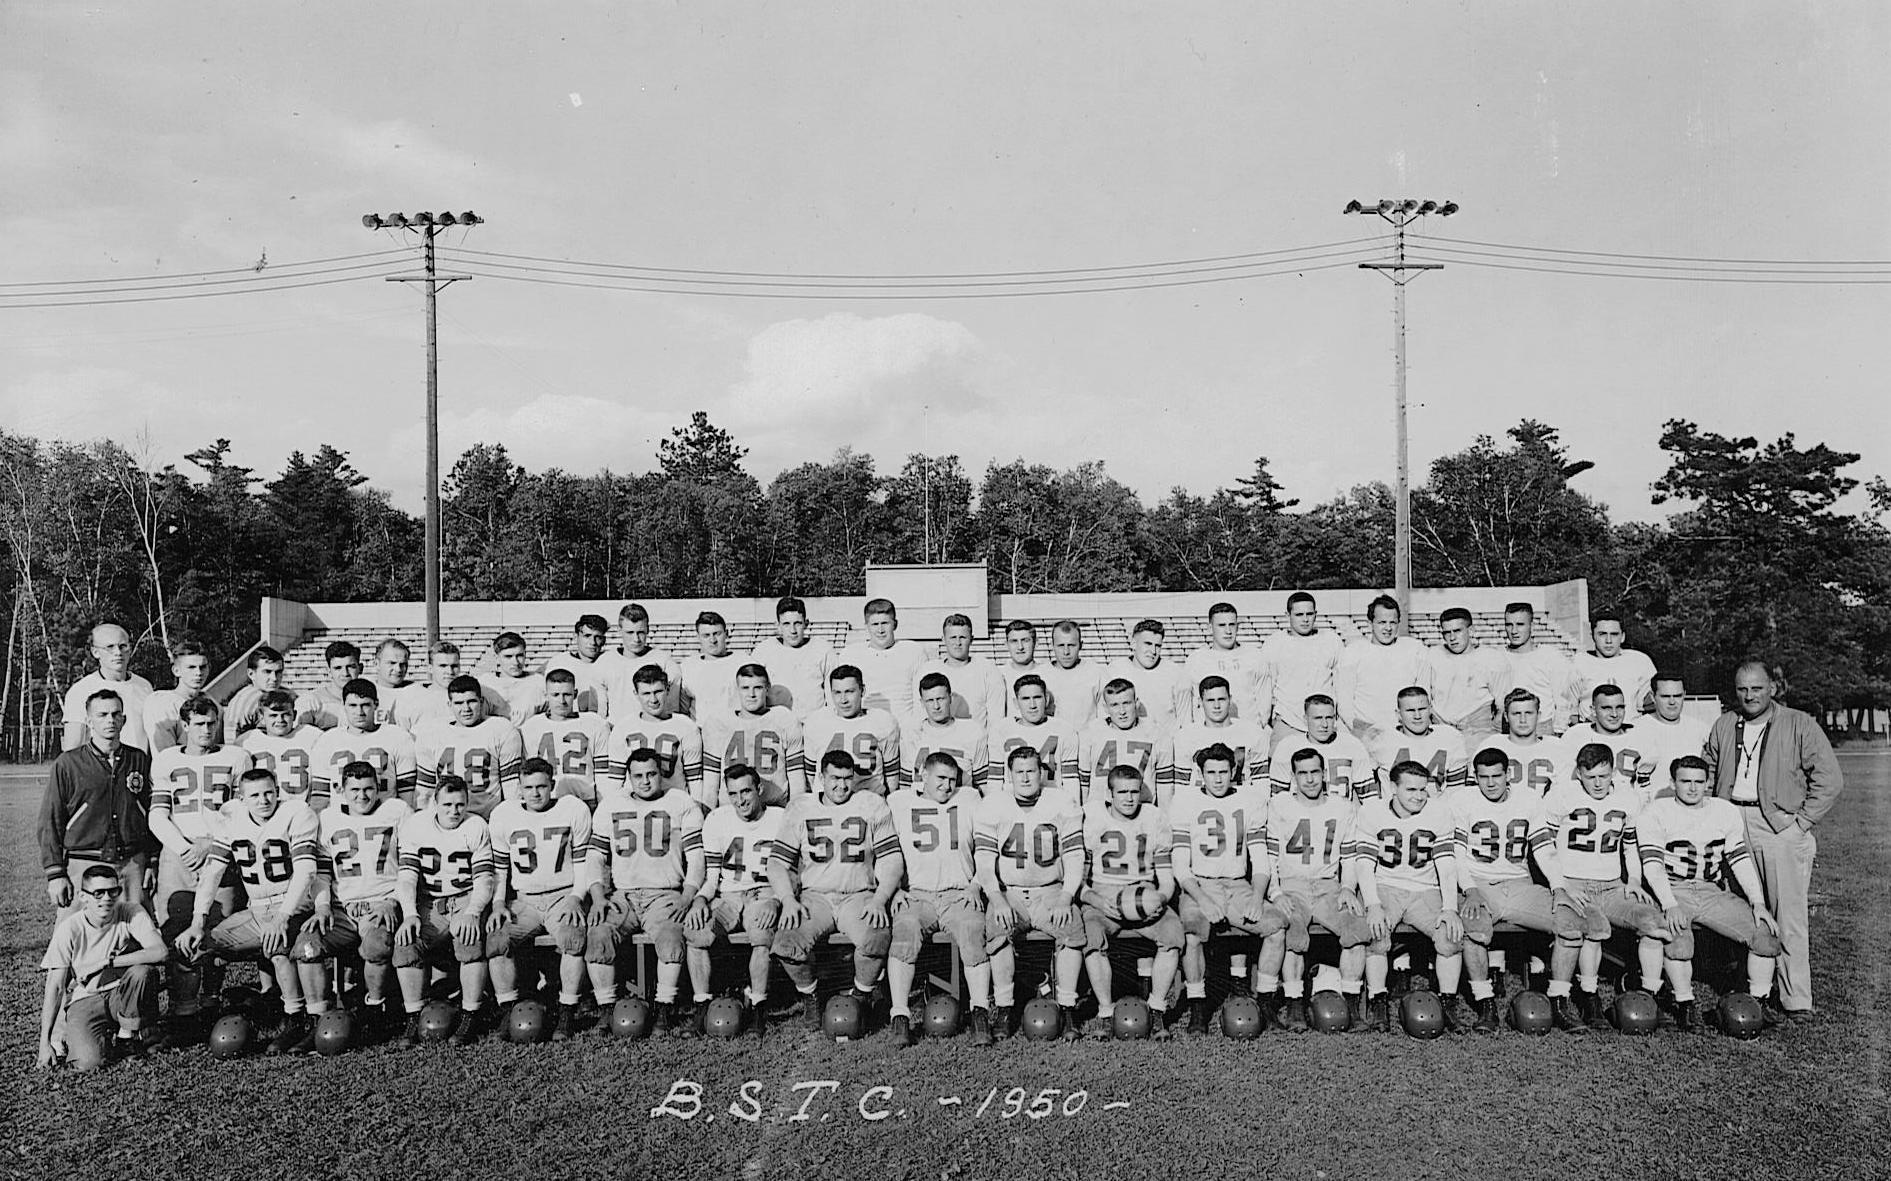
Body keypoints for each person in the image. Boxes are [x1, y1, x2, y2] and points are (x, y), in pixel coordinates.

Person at [1702, 660, 1843, 1020]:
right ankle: (1749, 987)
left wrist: (1801, 824)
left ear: (1772, 689)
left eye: (1756, 688)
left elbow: (1829, 779)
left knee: (1788, 914)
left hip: (1780, 826)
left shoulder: (1798, 723)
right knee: (1739, 907)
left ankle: (1796, 999)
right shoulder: (1724, 724)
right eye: (1742, 689)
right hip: (1732, 821)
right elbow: (1707, 770)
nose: (1749, 696)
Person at [175, 767, 331, 1054]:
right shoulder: (231, 819)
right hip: (256, 908)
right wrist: (198, 922)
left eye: (269, 793)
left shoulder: (297, 813)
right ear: (241, 798)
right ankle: (205, 1010)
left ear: (278, 792)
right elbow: (212, 873)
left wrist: (283, 916)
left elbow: (307, 870)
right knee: (201, 945)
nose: (263, 800)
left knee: (277, 946)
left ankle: (297, 1020)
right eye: (255, 795)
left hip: (293, 903)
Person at [1636, 755, 1783, 1032]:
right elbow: (1652, 865)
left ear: (1709, 783)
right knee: (1678, 942)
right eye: (1685, 781)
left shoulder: (1723, 811)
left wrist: (1758, 903)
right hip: (1673, 888)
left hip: (1711, 890)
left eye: (1699, 782)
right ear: (1672, 783)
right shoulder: (1657, 811)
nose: (1692, 788)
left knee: (1765, 935)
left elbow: (1739, 859)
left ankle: (1758, 1002)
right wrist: (1668, 903)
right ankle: (1684, 1003)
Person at [1529, 743, 1667, 1032]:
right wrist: (1561, 884)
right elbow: (1542, 844)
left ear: (1613, 772)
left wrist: (1634, 880)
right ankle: (1589, 996)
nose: (1598, 783)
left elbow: (1630, 842)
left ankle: (1650, 997)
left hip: (1612, 885)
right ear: (1579, 773)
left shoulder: (1627, 797)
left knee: (1654, 922)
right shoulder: (1562, 796)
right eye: (1591, 777)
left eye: (1603, 776)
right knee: (1596, 929)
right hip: (1575, 884)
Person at [770, 751, 904, 1031]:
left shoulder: (871, 804)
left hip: (858, 894)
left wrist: (880, 899)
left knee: (877, 937)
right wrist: (788, 900)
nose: (841, 786)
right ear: (821, 777)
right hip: (814, 896)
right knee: (785, 944)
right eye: (835, 778)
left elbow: (891, 859)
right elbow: (777, 863)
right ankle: (811, 995)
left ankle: (861, 995)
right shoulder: (801, 807)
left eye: (847, 779)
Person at [148, 695, 253, 1041]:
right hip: (179, 852)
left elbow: (242, 811)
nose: (206, 730)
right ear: (184, 725)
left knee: (217, 927)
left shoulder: (236, 757)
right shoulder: (166, 760)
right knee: (177, 928)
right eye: (199, 724)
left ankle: (211, 1002)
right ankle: (183, 1010)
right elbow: (158, 815)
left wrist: (211, 845)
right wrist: (185, 848)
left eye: (212, 723)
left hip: (221, 850)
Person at [587, 747, 707, 1033]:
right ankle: (606, 1009)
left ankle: (664, 1009)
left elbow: (697, 857)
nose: (645, 781)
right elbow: (595, 856)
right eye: (638, 775)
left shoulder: (681, 803)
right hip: (623, 895)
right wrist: (597, 896)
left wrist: (688, 895)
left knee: (670, 938)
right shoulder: (611, 805)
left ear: (662, 775)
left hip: (664, 893)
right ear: (628, 777)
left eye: (651, 774)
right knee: (599, 934)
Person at [975, 745, 1089, 1039]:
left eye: (1031, 771)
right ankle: (1004, 1008)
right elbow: (985, 863)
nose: (1026, 778)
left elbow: (1076, 856)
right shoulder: (993, 804)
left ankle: (1067, 1009)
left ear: (1042, 773)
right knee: (997, 927)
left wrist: (1066, 897)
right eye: (1019, 772)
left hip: (1050, 891)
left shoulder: (1061, 801)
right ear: (1009, 775)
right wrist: (997, 899)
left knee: (1072, 926)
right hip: (1010, 892)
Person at [1170, 743, 1286, 1032]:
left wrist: (1258, 897)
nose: (1218, 778)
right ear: (1202, 774)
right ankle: (1198, 1005)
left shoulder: (1249, 800)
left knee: (1275, 926)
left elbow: (1260, 861)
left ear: (1234, 771)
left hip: (1237, 885)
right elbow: (1180, 866)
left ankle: (1266, 1002)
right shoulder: (1186, 801)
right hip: (1199, 884)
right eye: (1211, 772)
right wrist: (1202, 899)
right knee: (1193, 930)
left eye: (1224, 771)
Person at [1257, 747, 1371, 1030]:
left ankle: (1352, 1006)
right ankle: (1295, 1004)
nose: (1309, 779)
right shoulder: (1279, 805)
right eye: (1302, 773)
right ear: (1294, 777)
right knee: (1294, 936)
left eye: (1314, 772)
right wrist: (1276, 892)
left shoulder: (1342, 806)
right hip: (1292, 886)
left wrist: (1347, 887)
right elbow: (1268, 856)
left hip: (1328, 886)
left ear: (1325, 774)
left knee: (1357, 930)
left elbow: (1350, 855)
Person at [1446, 747, 1557, 1032]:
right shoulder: (1462, 800)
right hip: (1480, 883)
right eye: (1484, 777)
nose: (1491, 783)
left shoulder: (1529, 799)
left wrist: (1561, 887)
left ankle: (1561, 998)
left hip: (1520, 883)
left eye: (1497, 775)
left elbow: (1544, 849)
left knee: (1570, 922)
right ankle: (1486, 1003)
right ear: (1475, 777)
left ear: (1508, 774)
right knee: (1473, 930)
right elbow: (1456, 853)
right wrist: (1469, 888)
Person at [886, 752, 994, 1046]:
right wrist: (894, 889)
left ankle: (980, 1012)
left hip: (959, 893)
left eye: (952, 780)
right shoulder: (899, 802)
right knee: (905, 932)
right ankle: (900, 1015)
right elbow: (885, 852)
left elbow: (986, 848)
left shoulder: (969, 798)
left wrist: (975, 885)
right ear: (923, 775)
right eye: (940, 779)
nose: (947, 786)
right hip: (917, 893)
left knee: (973, 933)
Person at [485, 758, 595, 1041]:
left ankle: (567, 1011)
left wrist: (575, 897)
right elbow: (500, 868)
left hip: (563, 896)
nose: (535, 793)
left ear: (552, 785)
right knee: (497, 940)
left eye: (541, 787)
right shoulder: (504, 815)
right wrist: (498, 902)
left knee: (573, 939)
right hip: (525, 900)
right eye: (528, 787)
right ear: (519, 788)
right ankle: (508, 1010)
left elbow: (584, 862)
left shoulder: (572, 809)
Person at [1351, 761, 1465, 1033]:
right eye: (1410, 789)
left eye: (1423, 790)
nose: (1418, 796)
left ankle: (1448, 1003)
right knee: (1376, 933)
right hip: (1385, 885)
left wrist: (1449, 907)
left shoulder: (1438, 813)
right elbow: (1364, 864)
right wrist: (1373, 904)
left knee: (1449, 936)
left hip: (1424, 889)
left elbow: (1447, 865)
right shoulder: (1372, 812)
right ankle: (1378, 999)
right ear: (1393, 788)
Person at [1079, 765, 1185, 1037]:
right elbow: (1078, 881)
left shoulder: (1153, 818)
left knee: (1173, 934)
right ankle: (1105, 1011)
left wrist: (1159, 899)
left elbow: (1167, 879)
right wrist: (1097, 902)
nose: (1128, 798)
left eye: (1134, 792)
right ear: (1109, 794)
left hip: (1144, 894)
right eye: (1122, 792)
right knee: (1091, 938)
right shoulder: (1092, 818)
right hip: (1104, 896)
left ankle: (1157, 1009)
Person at [391, 775, 497, 1046]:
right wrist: (410, 913)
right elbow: (406, 877)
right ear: (434, 804)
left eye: (460, 804)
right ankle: (413, 1015)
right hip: (430, 902)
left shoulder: (476, 826)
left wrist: (473, 911)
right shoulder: (416, 826)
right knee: (407, 942)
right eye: (447, 804)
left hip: (465, 897)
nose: (454, 811)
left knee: (469, 939)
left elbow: (484, 879)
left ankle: (469, 1014)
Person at [308, 760, 413, 1031]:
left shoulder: (397, 811)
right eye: (354, 789)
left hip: (382, 904)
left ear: (379, 789)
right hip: (341, 908)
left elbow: (410, 866)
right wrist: (322, 907)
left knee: (377, 946)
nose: (361, 796)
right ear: (341, 790)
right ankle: (315, 1018)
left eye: (368, 789)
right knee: (306, 947)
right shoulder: (328, 819)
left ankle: (374, 1009)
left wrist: (392, 902)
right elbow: (321, 873)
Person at [686, 763, 784, 1037]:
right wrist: (700, 900)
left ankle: (758, 1008)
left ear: (759, 789)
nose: (740, 800)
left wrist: (776, 899)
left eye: (746, 792)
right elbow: (712, 875)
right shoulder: (718, 819)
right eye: (733, 794)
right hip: (726, 896)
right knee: (696, 931)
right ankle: (702, 1005)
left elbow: (792, 872)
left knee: (761, 934)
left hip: (763, 892)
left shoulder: (779, 818)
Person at [37, 865, 166, 1071]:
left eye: (112, 891)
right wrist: (45, 1044)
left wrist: (108, 962)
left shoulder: (131, 912)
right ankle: (113, 1036)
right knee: (88, 1062)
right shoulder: (69, 929)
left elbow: (160, 952)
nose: (106, 898)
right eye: (98, 893)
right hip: (87, 998)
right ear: (83, 896)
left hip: (122, 994)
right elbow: (55, 987)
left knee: (142, 971)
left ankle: (127, 1035)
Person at [38, 689, 153, 915]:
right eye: (102, 715)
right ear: (89, 721)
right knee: (77, 935)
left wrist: (152, 860)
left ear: (124, 719)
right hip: (84, 863)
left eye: (115, 714)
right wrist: (55, 873)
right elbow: (50, 819)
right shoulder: (69, 763)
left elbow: (150, 812)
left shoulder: (138, 759)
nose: (110, 720)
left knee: (133, 933)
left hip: (131, 863)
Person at [413, 674, 524, 817]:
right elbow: (425, 791)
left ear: (481, 701)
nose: (466, 708)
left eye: (471, 701)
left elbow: (512, 788)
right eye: (459, 703)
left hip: (488, 817)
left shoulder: (502, 730)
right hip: (447, 820)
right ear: (449, 705)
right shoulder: (432, 733)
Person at [701, 664, 808, 806]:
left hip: (774, 808)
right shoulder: (719, 723)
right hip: (732, 810)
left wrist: (795, 813)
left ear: (767, 688)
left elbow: (796, 780)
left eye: (757, 688)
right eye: (745, 688)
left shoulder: (784, 720)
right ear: (737, 689)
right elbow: (710, 785)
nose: (751, 694)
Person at [1334, 595, 1430, 746]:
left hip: (1404, 734)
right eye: (1382, 622)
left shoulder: (1415, 649)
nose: (1388, 628)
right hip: (1364, 734)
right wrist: (1362, 732)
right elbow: (1344, 703)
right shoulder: (1352, 652)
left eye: (1393, 622)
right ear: (1370, 623)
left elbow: (1424, 695)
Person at [605, 664, 706, 806]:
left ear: (668, 690)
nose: (653, 699)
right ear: (636, 694)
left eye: (658, 691)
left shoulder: (686, 727)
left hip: (674, 805)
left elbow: (695, 780)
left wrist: (697, 810)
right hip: (635, 807)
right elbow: (615, 781)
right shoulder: (623, 728)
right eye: (646, 693)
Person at [308, 679, 419, 806]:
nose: (359, 712)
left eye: (365, 705)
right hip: (341, 820)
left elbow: (407, 796)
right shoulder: (327, 741)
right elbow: (320, 797)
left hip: (385, 817)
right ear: (343, 705)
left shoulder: (398, 738)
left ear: (376, 704)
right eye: (353, 705)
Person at [1258, 592, 1346, 750]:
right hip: (1288, 720)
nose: (1305, 619)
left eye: (1309, 614)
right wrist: (1267, 721)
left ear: (1316, 614)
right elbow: (1266, 686)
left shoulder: (1331, 640)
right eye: (1299, 614)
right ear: (1288, 615)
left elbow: (1341, 685)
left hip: (1323, 723)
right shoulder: (1274, 643)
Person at [801, 664, 902, 797]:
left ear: (862, 690)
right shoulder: (816, 722)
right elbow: (811, 775)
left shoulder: (883, 722)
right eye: (837, 692)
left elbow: (892, 779)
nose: (843, 700)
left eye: (849, 692)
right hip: (830, 804)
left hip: (868, 801)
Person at [519, 668, 613, 803]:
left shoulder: (595, 724)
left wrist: (603, 805)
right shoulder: (531, 727)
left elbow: (603, 774)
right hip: (548, 802)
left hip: (585, 799)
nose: (562, 701)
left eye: (567, 694)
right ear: (546, 695)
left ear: (575, 694)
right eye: (555, 694)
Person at [1076, 678, 1173, 806]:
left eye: (1126, 703)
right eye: (1114, 705)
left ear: (1136, 703)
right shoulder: (1091, 733)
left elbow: (1165, 789)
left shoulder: (1156, 734)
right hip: (1102, 811)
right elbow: (1084, 784)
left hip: (1142, 810)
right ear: (1105, 708)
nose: (1122, 712)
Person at [62, 622, 155, 752]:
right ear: (95, 652)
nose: (118, 652)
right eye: (109, 647)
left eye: (123, 646)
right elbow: (72, 749)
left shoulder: (144, 687)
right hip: (98, 770)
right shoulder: (80, 690)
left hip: (137, 768)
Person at [1168, 675, 1267, 796]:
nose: (1216, 706)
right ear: (1200, 702)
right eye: (1210, 700)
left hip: (1241, 803)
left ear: (1230, 699)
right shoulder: (1185, 736)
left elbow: (1262, 784)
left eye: (1221, 699)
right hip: (1201, 805)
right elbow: (1182, 787)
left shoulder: (1252, 733)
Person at [834, 598, 926, 728]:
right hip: (865, 728)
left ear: (895, 624)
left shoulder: (914, 652)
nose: (880, 630)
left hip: (903, 730)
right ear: (866, 626)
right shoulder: (850, 654)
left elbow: (921, 699)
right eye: (875, 624)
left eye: (885, 623)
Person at [1426, 607, 1513, 745]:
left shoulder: (1491, 658)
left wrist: (1495, 728)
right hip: (1441, 729)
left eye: (1457, 631)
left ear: (1471, 630)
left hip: (1477, 730)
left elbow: (1503, 703)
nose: (1452, 638)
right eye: (1447, 633)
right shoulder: (1434, 655)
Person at [1367, 686, 1469, 798]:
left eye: (1422, 709)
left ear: (1430, 709)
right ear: (1398, 714)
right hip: (1393, 813)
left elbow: (1457, 792)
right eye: (1410, 710)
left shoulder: (1450, 738)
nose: (1417, 716)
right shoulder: (1381, 738)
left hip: (1437, 811)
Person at [1555, 684, 1655, 799]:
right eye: (1606, 708)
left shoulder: (1641, 737)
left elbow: (1647, 788)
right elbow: (1564, 783)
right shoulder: (1575, 736)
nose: (1614, 714)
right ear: (1593, 710)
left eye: (1620, 707)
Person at [986, 674, 1078, 796]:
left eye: (1037, 697)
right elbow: (995, 780)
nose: (1032, 705)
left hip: (1051, 800)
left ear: (1047, 699)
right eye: (1025, 699)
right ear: (1016, 703)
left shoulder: (1064, 730)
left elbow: (1071, 780)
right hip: (1013, 802)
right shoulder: (1000, 730)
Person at [1266, 694, 1371, 800]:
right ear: (1305, 719)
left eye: (1329, 718)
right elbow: (1277, 801)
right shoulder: (1287, 747)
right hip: (1300, 814)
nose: (1324, 724)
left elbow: (1370, 799)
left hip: (1341, 814)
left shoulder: (1352, 745)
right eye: (1318, 718)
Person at [901, 672, 990, 794]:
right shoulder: (912, 734)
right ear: (922, 703)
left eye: (940, 699)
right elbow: (905, 786)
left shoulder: (973, 732)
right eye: (930, 701)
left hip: (959, 803)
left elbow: (983, 785)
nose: (936, 706)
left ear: (950, 698)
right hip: (922, 804)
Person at [1501, 603, 1581, 736]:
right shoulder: (1498, 657)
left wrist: (1558, 730)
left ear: (1532, 626)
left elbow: (1562, 700)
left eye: (1520, 624)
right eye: (1509, 625)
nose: (1514, 631)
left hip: (1542, 728)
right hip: (1509, 729)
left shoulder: (1550, 656)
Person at [1184, 602, 1270, 724]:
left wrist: (1258, 728)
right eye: (1221, 625)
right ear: (1210, 628)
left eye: (1232, 625)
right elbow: (1191, 703)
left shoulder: (1254, 656)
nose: (1228, 631)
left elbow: (1264, 701)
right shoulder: (1196, 659)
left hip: (1247, 731)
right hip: (1209, 734)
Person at [917, 613, 1007, 726]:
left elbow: (996, 719)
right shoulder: (928, 670)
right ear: (943, 639)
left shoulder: (987, 670)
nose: (958, 643)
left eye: (962, 638)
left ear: (971, 639)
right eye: (953, 638)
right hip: (939, 740)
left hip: (976, 741)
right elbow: (919, 715)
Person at [749, 596, 830, 718]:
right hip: (776, 723)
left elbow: (832, 692)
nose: (793, 630)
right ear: (778, 625)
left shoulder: (823, 649)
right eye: (786, 624)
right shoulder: (764, 650)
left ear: (806, 624)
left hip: (813, 723)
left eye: (797, 623)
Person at [1105, 619, 1191, 732]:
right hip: (1129, 744)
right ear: (1133, 643)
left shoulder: (1175, 673)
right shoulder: (1115, 670)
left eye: (1158, 646)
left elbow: (1185, 722)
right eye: (1148, 644)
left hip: (1166, 745)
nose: (1153, 651)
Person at [240, 689, 324, 802]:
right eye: (273, 715)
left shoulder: (312, 736)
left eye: (285, 715)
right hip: (263, 807)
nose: (280, 720)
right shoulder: (248, 741)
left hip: (301, 806)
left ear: (294, 715)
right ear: (261, 717)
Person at [1473, 689, 1560, 795]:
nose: (1523, 720)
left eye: (1529, 713)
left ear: (1539, 715)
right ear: (1506, 716)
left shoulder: (1556, 747)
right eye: (1516, 714)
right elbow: (1474, 790)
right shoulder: (1491, 744)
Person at [604, 602, 683, 718]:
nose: (636, 639)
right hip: (618, 731)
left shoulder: (665, 661)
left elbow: (672, 710)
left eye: (640, 632)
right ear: (619, 631)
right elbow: (599, 714)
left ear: (648, 630)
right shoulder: (604, 662)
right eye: (630, 633)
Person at [1639, 673, 1712, 797]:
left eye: (1677, 696)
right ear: (1652, 697)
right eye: (1665, 696)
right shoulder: (1637, 728)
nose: (1672, 702)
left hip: (1689, 809)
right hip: (1651, 807)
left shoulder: (1700, 729)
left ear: (1684, 694)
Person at [406, 641, 511, 727]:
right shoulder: (415, 698)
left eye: (454, 666)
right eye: (443, 666)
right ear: (430, 668)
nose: (450, 671)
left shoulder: (481, 693)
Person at [1573, 615, 1658, 720]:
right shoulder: (1578, 662)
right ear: (1592, 636)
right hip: (1591, 731)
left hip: (1631, 730)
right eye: (1602, 634)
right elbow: (1569, 708)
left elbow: (1651, 707)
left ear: (1622, 637)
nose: (1608, 640)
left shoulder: (1639, 661)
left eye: (1614, 634)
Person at [143, 640, 213, 753]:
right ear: (176, 671)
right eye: (191, 667)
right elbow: (164, 754)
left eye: (203, 667)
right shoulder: (163, 704)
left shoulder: (211, 702)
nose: (198, 673)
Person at [1034, 620, 1103, 730]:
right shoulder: (1040, 674)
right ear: (1052, 645)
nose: (1066, 652)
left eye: (1071, 645)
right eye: (1061, 645)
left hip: (1085, 742)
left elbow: (1104, 716)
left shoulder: (1096, 672)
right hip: (1053, 742)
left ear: (1081, 645)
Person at [540, 614, 614, 717]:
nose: (592, 642)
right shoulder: (559, 662)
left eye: (598, 637)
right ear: (576, 637)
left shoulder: (611, 662)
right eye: (587, 636)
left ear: (604, 640)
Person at [678, 610, 743, 719]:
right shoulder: (688, 667)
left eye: (717, 634)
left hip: (734, 730)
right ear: (698, 637)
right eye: (706, 635)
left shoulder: (743, 662)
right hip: (701, 730)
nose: (712, 640)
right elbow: (683, 710)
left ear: (726, 634)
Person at [294, 641, 363, 731]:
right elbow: (300, 738)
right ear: (329, 671)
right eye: (338, 668)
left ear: (360, 668)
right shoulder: (311, 702)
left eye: (351, 667)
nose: (345, 673)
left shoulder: (371, 700)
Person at [223, 645, 287, 741]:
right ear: (251, 674)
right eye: (267, 672)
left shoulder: (288, 695)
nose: (274, 678)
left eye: (278, 672)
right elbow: (231, 743)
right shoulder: (243, 702)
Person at [484, 631, 548, 723]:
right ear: (496, 658)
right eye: (508, 656)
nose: (515, 662)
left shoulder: (539, 682)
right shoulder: (486, 683)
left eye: (520, 655)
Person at [368, 638, 420, 729]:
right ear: (376, 664)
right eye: (392, 663)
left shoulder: (416, 693)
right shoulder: (364, 691)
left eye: (403, 664)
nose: (398, 669)